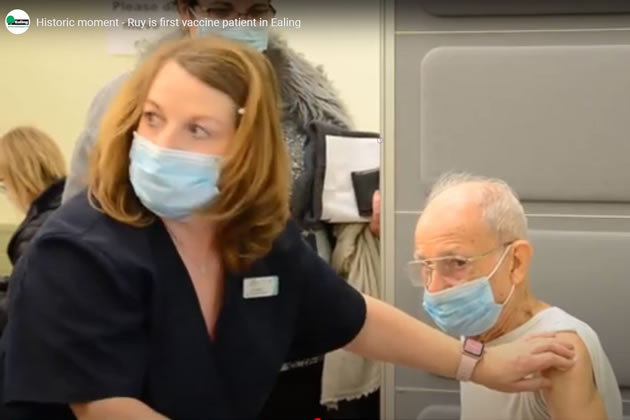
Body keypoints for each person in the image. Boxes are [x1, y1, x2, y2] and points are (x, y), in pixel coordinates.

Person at [0, 37, 577, 420]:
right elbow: (103, 405)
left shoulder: (253, 234)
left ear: (246, 147)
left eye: (197, 129)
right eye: (153, 119)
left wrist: (478, 363)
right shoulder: (76, 251)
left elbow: (351, 315)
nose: (162, 145)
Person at [61, 1, 379, 418]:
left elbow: (330, 223)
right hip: (168, 343)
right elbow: (84, 215)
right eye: (222, 9)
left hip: (285, 344)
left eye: (253, 12)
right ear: (187, 14)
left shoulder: (305, 104)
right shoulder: (131, 97)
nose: (239, 25)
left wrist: (370, 219)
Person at [410, 172, 623, 420]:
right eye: (427, 265)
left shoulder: (556, 352)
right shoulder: (476, 332)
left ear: (516, 263)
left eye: (457, 263)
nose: (434, 288)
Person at [0, 126, 66, 332]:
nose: (8, 195)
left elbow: (24, 309)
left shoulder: (38, 231)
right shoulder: (67, 209)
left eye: (4, 184)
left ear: (20, 178)